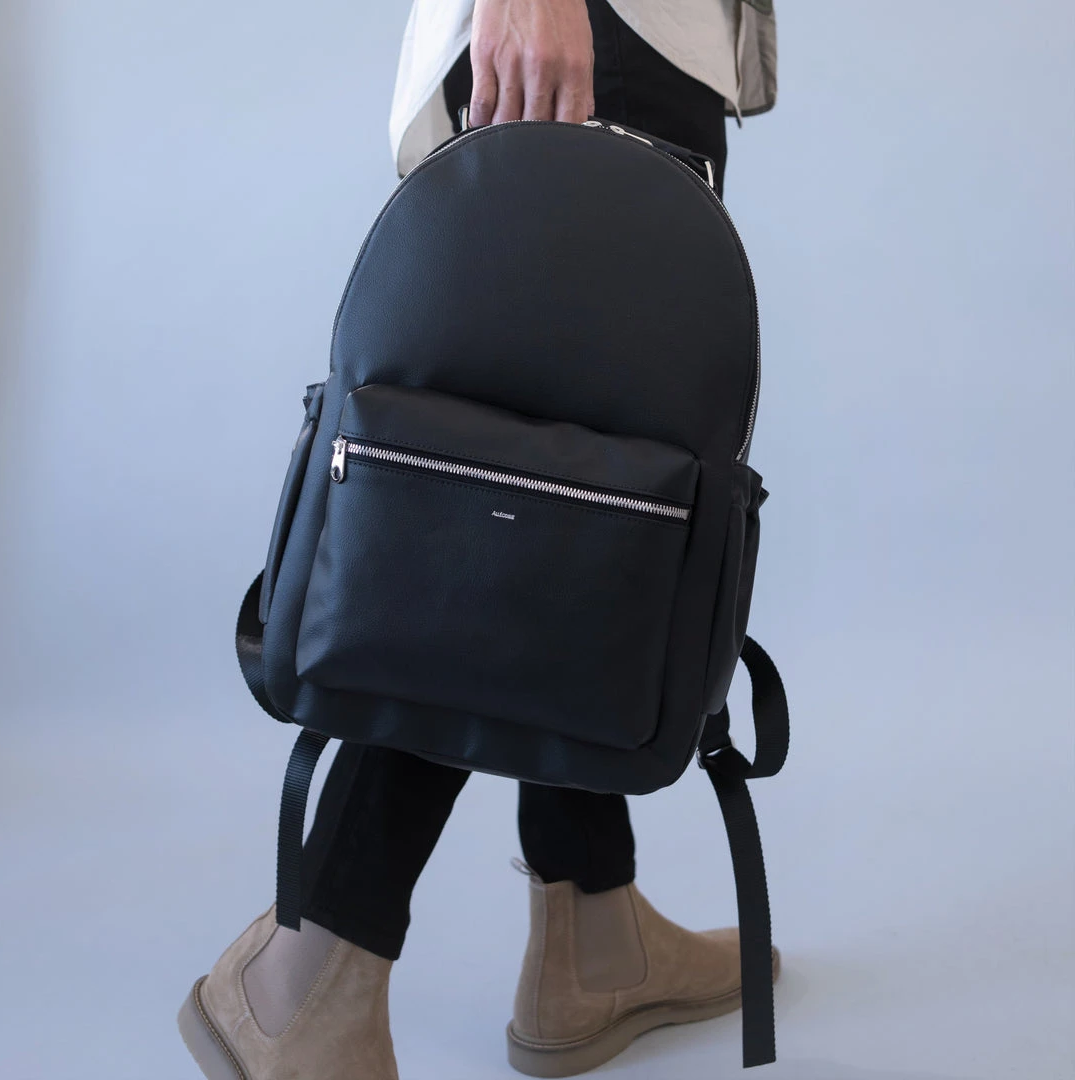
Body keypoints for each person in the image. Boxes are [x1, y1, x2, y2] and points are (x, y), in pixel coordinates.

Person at [177, 2, 778, 1078]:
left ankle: (594, 931)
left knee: (585, 508)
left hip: (642, 41)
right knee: (499, 516)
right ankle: (306, 974)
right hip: (598, 29)